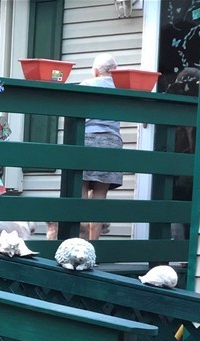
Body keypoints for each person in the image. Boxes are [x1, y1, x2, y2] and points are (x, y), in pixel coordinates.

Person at [78, 53, 123, 240]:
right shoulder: (121, 88)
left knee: (80, 189)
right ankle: (93, 247)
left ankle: (76, 244)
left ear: (96, 71)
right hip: (111, 142)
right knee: (100, 193)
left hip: (87, 139)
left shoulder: (87, 85)